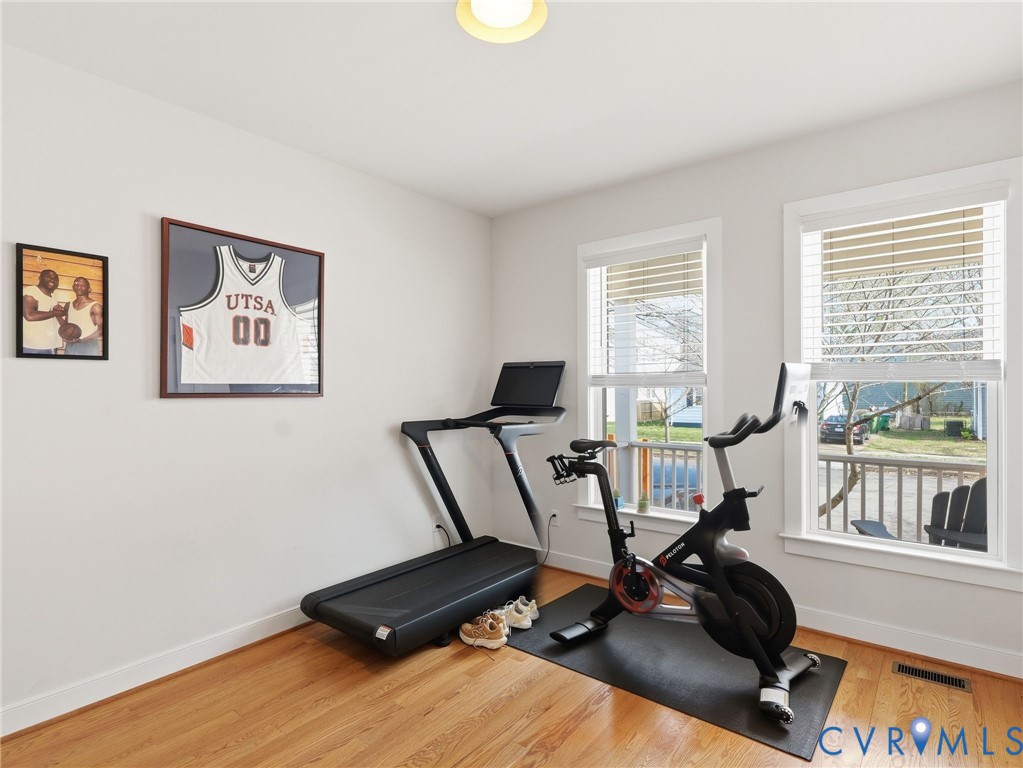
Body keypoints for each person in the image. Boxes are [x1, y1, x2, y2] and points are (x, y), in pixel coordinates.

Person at [21, 269, 64, 354]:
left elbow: (52, 315)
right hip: (33, 346)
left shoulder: (54, 297)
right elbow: (30, 316)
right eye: (48, 276)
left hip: (51, 344)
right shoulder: (31, 290)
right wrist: (54, 312)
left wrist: (58, 310)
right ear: (40, 278)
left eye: (55, 278)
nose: (52, 280)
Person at [64, 276, 103, 357]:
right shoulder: (68, 305)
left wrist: (82, 340)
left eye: (83, 285)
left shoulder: (95, 306)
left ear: (89, 289)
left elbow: (101, 330)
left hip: (89, 344)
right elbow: (66, 326)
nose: (79, 287)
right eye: (77, 284)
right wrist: (56, 314)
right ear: (73, 287)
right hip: (71, 344)